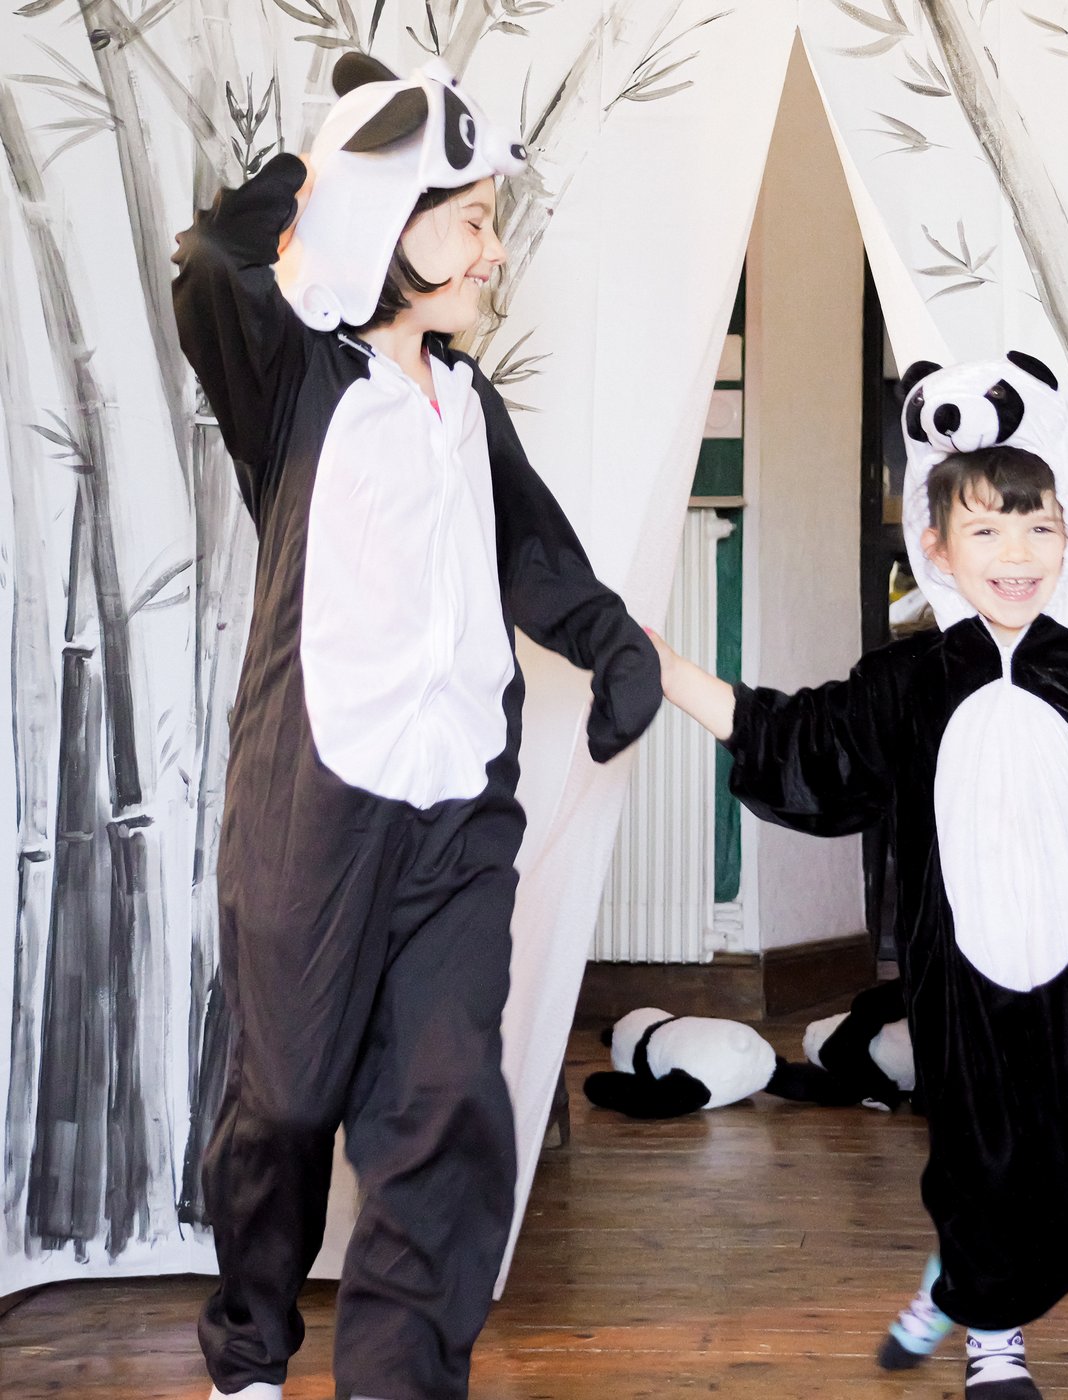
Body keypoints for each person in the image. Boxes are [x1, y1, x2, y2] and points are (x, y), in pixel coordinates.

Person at [648, 353, 1068, 1400]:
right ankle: (991, 1336)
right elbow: (804, 742)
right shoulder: (910, 681)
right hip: (959, 977)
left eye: (1036, 525)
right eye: (985, 529)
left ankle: (958, 1280)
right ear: (936, 548)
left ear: (1064, 535)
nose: (1016, 552)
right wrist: (672, 674)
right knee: (982, 1159)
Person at [172, 53, 660, 1400]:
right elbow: (217, 261)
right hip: (312, 810)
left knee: (447, 1102)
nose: (496, 249)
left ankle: (400, 1378)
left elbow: (534, 555)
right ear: (389, 227)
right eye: (472, 217)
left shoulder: (468, 408)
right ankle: (250, 1359)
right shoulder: (294, 386)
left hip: (459, 817)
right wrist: (331, 178)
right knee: (281, 1103)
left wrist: (611, 647)